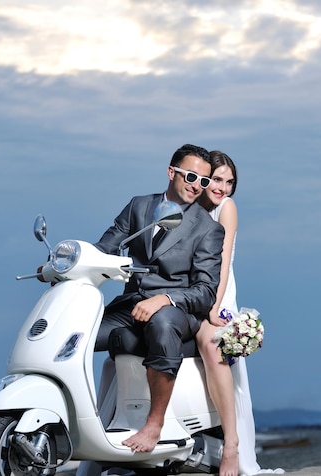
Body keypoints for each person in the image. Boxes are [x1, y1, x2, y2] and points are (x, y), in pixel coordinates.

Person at [93, 144, 232, 467]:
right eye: (191, 176)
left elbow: (205, 291)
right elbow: (105, 247)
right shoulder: (138, 207)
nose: (198, 185)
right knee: (77, 330)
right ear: (172, 173)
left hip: (177, 311)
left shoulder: (208, 229)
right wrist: (67, 262)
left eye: (204, 180)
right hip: (128, 306)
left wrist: (165, 299)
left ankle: (154, 424)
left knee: (162, 323)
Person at [195, 151, 283, 476]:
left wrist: (214, 306)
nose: (223, 188)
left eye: (229, 182)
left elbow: (223, 261)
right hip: (195, 296)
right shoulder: (190, 208)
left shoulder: (226, 208)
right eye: (217, 179)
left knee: (232, 374)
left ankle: (238, 452)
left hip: (219, 298)